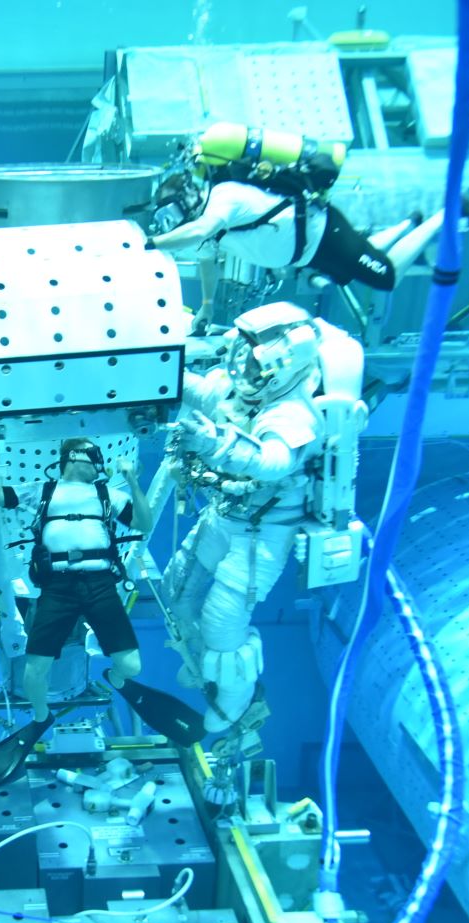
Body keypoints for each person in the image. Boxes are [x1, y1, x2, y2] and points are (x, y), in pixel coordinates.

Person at [161, 301, 367, 734]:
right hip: (224, 517)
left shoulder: (293, 413)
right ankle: (206, 663)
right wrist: (152, 373)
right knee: (176, 593)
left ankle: (235, 698)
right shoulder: (243, 392)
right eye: (241, 359)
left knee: (221, 620)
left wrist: (214, 442)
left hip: (262, 535)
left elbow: (272, 461)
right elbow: (201, 391)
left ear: (282, 363)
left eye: (254, 366)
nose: (244, 372)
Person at [148, 124, 444, 324]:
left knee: (385, 277)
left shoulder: (223, 199)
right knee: (361, 260)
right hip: (312, 252)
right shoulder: (211, 227)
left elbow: (199, 232)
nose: (173, 225)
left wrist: (151, 245)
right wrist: (208, 304)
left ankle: (446, 215)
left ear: (186, 199)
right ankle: (410, 223)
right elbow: (207, 263)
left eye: (171, 217)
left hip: (327, 236)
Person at [0, 439, 149, 724]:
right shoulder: (42, 491)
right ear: (77, 457)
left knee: (132, 666)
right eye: (96, 457)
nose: (102, 465)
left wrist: (133, 481)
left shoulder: (107, 494)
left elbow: (143, 523)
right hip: (58, 587)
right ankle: (41, 715)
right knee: (34, 670)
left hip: (100, 583)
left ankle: (115, 675)